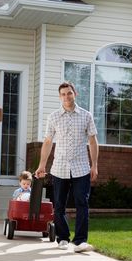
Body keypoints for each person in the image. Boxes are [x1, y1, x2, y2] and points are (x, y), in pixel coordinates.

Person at [35, 81, 99, 252]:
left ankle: (80, 241)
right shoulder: (54, 117)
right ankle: (62, 238)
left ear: (75, 94)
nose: (66, 96)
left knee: (82, 203)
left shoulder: (86, 116)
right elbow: (48, 141)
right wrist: (42, 165)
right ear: (59, 96)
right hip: (59, 167)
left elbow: (93, 141)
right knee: (59, 205)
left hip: (81, 167)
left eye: (69, 93)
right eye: (63, 94)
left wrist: (95, 165)